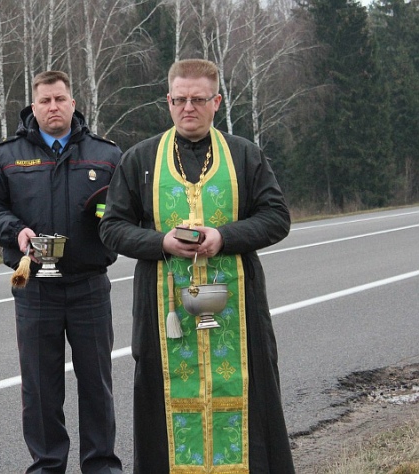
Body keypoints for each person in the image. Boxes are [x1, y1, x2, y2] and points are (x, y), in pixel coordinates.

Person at [99, 59, 296, 473]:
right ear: (168, 101)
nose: (188, 107)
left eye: (198, 99)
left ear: (216, 101)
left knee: (247, 398)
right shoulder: (140, 159)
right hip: (164, 313)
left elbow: (277, 218)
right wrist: (161, 242)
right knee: (164, 404)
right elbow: (112, 228)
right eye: (180, 99)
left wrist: (225, 237)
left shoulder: (244, 154)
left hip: (237, 311)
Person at [0, 70, 123, 474]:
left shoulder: (106, 154)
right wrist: (14, 231)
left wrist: (109, 219)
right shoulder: (5, 155)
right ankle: (47, 465)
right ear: (33, 106)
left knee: (97, 384)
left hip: (89, 285)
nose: (53, 107)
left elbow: (126, 209)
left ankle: (101, 466)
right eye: (45, 101)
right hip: (34, 287)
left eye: (60, 99)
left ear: (73, 103)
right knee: (40, 390)